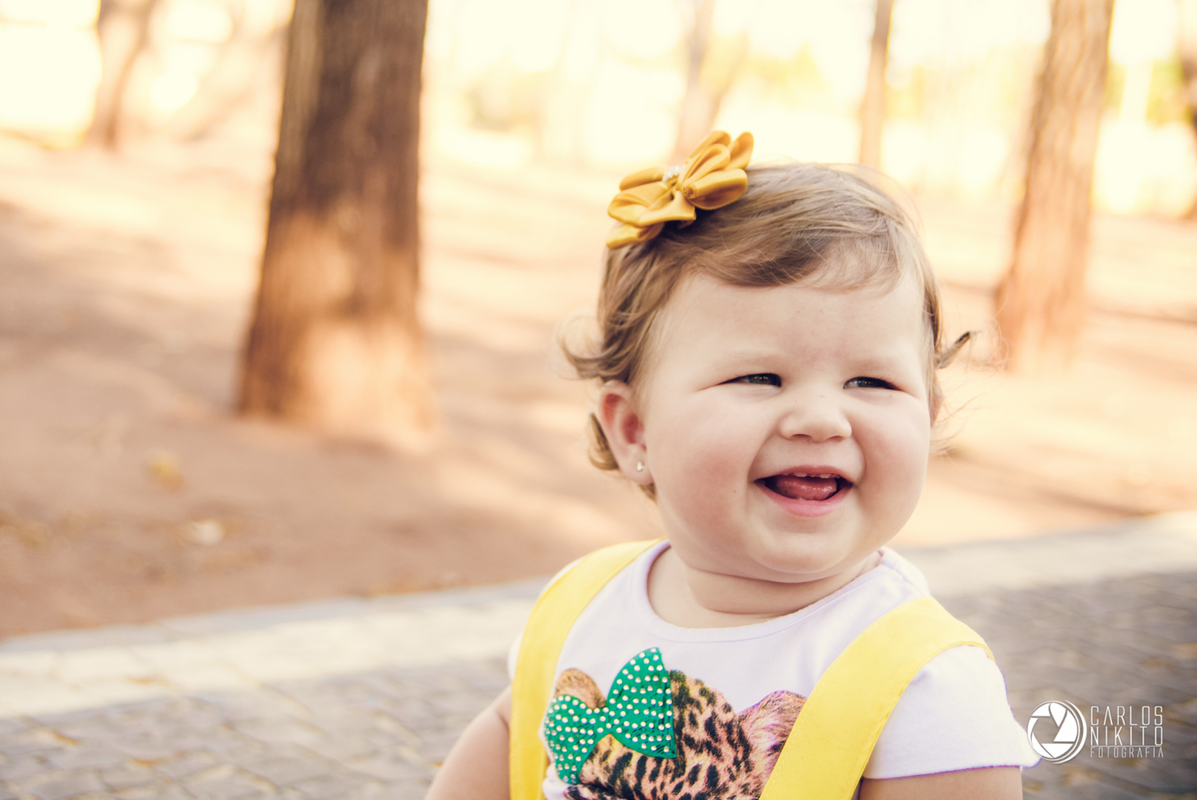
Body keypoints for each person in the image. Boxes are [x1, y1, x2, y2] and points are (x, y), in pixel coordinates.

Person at [425, 132, 1036, 800]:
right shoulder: (579, 610)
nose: (822, 419)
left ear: (930, 413)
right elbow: (512, 739)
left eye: (872, 383)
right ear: (634, 429)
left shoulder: (925, 686)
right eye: (760, 376)